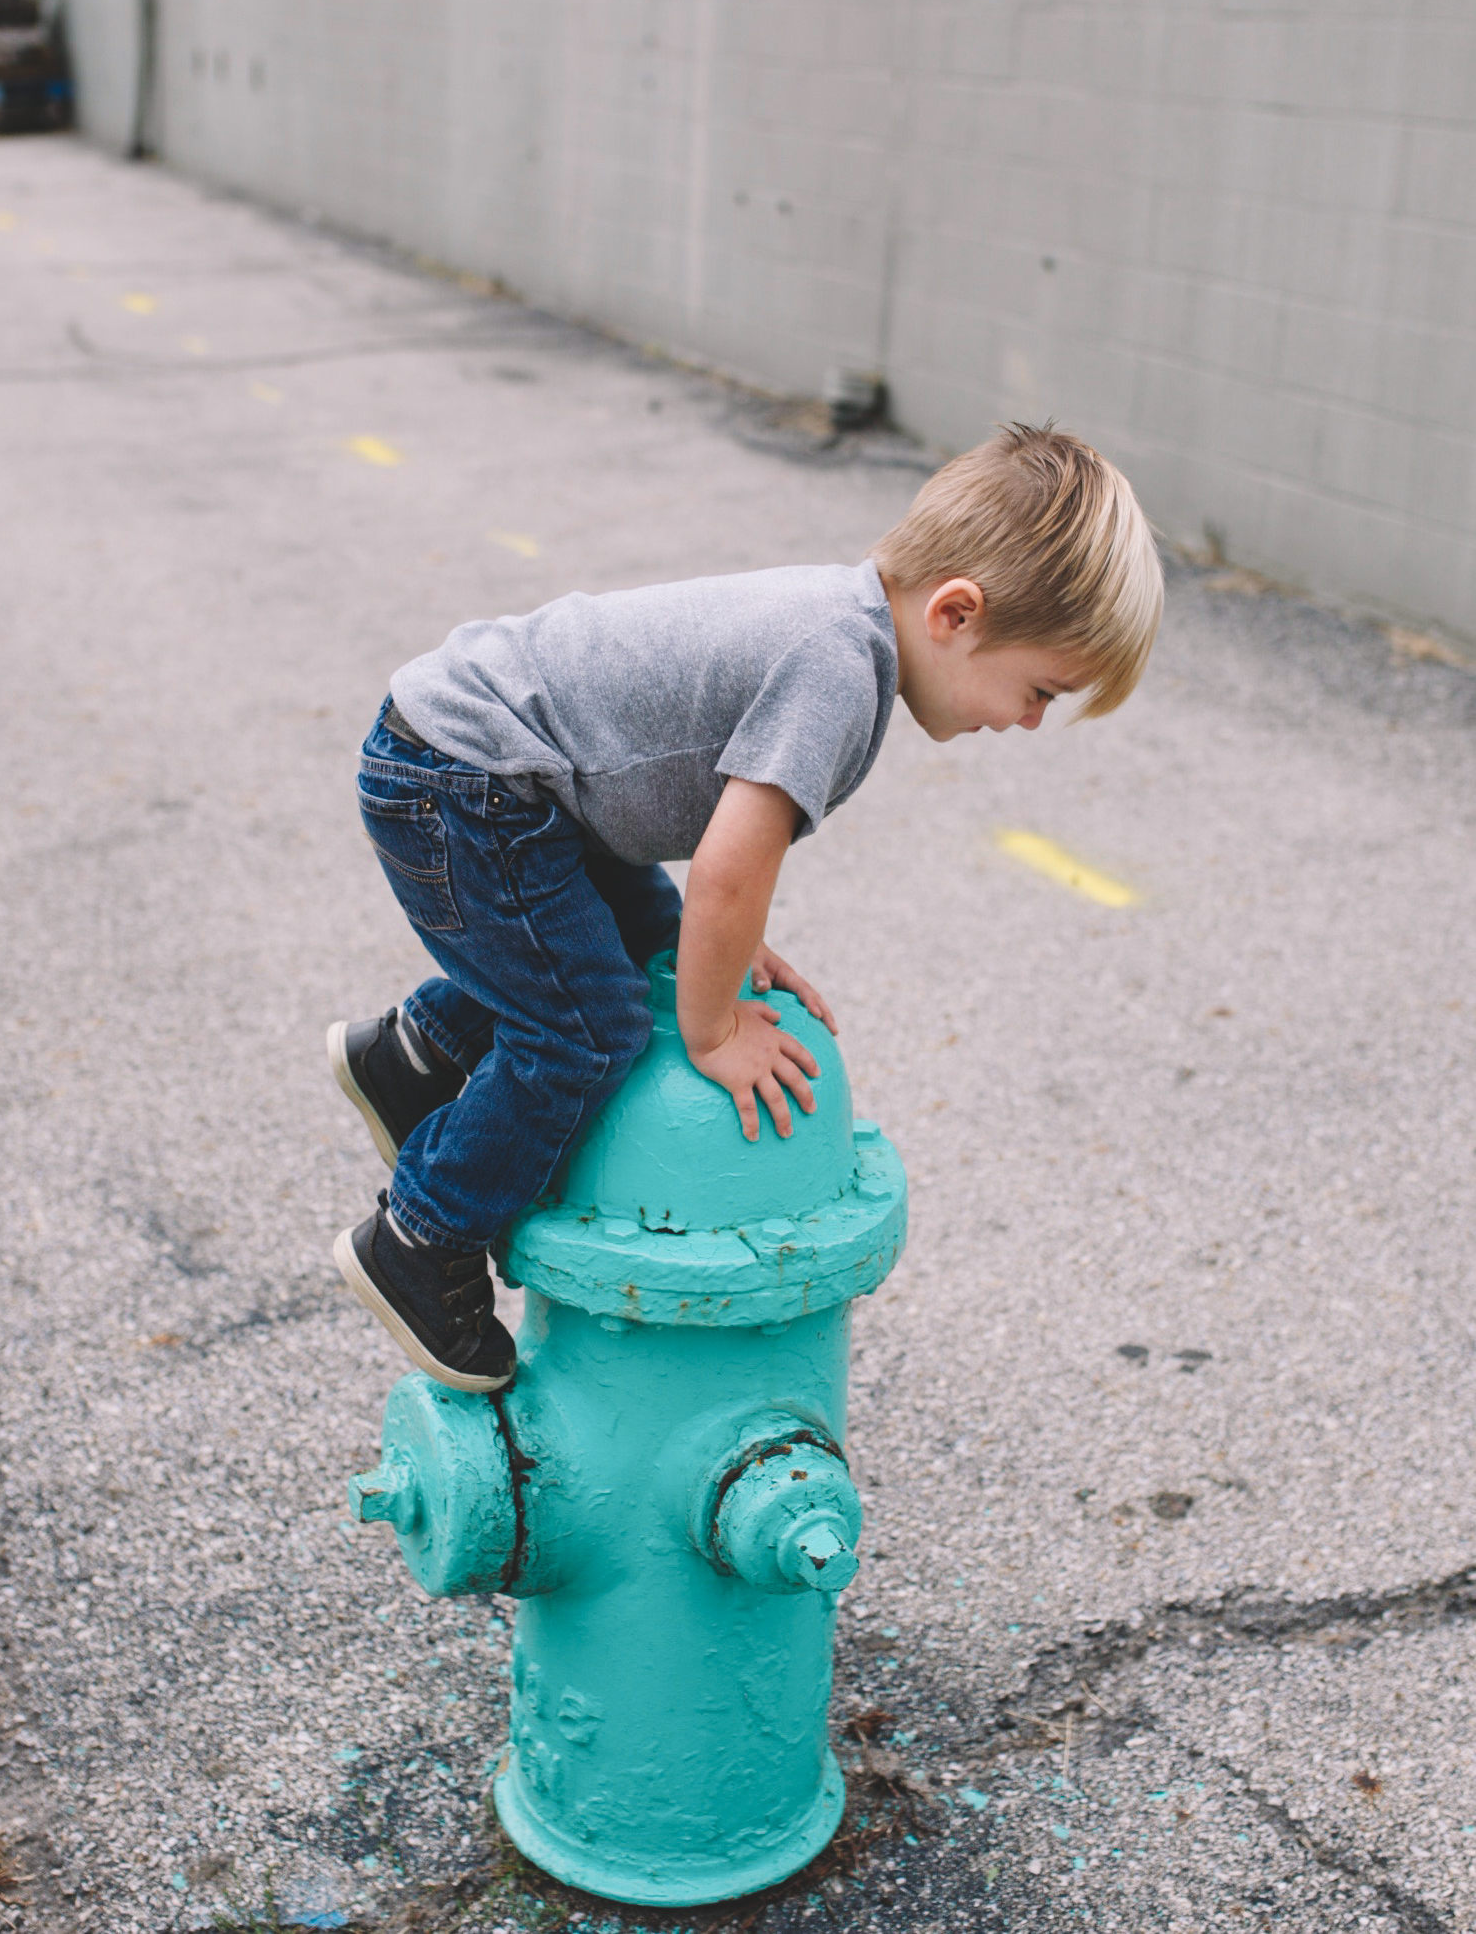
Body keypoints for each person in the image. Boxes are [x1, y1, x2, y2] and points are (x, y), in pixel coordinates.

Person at [328, 421, 1163, 1392]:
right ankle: (419, 1236)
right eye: (1038, 691)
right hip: (466, 783)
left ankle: (414, 1055)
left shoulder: (840, 623)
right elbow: (729, 865)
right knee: (589, 1029)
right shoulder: (839, 671)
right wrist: (714, 1025)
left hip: (498, 773)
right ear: (956, 612)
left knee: (636, 947)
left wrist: (727, 949)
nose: (1026, 720)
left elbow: (719, 837)